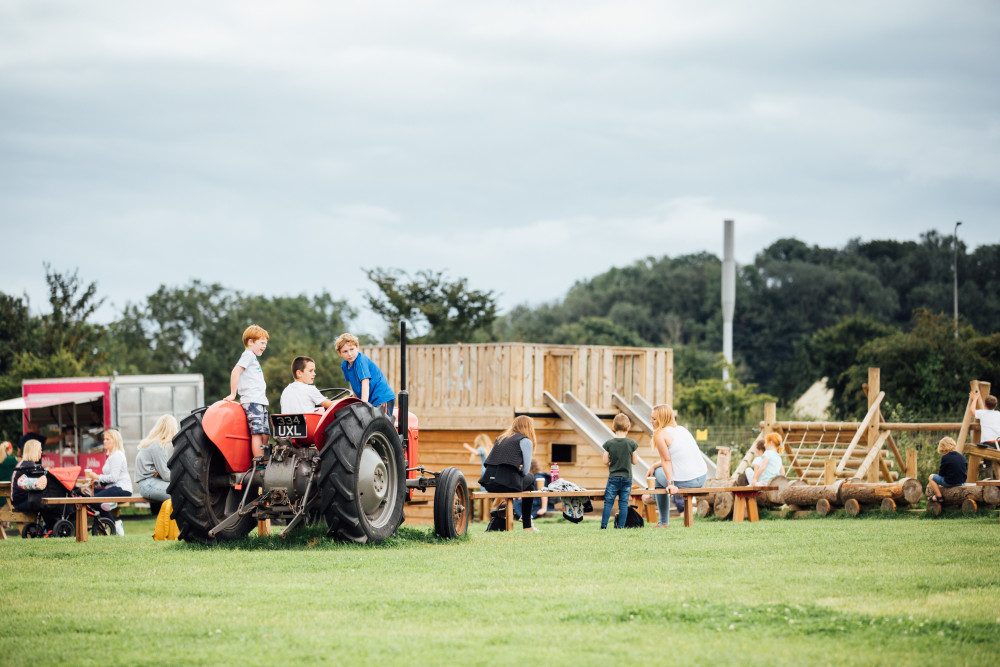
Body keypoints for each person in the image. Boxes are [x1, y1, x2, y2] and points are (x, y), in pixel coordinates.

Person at [647, 404, 708, 528]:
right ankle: (653, 495)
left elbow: (666, 460)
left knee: (657, 473)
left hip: (687, 481)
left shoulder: (660, 433)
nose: (651, 421)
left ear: (662, 419)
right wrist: (654, 464)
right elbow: (678, 457)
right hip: (701, 478)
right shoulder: (682, 430)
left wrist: (670, 484)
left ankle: (662, 518)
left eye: (654, 419)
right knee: (658, 468)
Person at [479, 416, 539, 531]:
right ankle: (527, 526)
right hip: (507, 484)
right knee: (530, 479)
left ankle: (526, 525)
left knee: (527, 484)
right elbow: (526, 470)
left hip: (489, 483)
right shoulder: (525, 441)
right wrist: (519, 469)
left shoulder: (501, 438)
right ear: (529, 427)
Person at [224, 324, 270, 458]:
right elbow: (235, 371)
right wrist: (233, 394)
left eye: (265, 344)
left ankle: (266, 460)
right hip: (252, 401)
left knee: (265, 433)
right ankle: (259, 462)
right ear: (251, 342)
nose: (264, 346)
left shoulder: (253, 358)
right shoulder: (248, 355)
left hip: (260, 401)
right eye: (262, 343)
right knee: (257, 433)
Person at [85, 429, 133, 535]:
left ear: (115, 441)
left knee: (94, 500)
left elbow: (114, 478)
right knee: (88, 496)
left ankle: (115, 524)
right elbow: (109, 479)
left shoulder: (116, 456)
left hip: (122, 488)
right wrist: (96, 482)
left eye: (108, 439)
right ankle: (105, 518)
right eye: (104, 439)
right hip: (115, 487)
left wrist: (97, 476)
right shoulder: (112, 456)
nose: (104, 441)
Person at [336, 333, 395, 416]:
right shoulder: (344, 365)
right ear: (340, 353)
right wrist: (354, 400)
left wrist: (363, 404)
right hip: (369, 399)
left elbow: (365, 382)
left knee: (379, 423)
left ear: (357, 347)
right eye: (345, 351)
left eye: (352, 349)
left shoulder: (360, 361)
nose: (349, 354)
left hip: (381, 397)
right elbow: (353, 384)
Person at [600, 414, 639, 529]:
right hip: (627, 478)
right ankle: (621, 526)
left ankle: (604, 526)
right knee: (623, 504)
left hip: (613, 478)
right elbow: (635, 461)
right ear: (628, 427)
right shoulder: (631, 443)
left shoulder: (609, 443)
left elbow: (604, 460)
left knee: (608, 502)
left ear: (613, 427)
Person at [134, 415, 179, 503]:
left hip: (147, 483)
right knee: (181, 494)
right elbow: (166, 475)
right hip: (149, 484)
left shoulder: (153, 444)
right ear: (172, 429)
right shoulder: (158, 446)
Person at [10, 439, 47, 513]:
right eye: (40, 449)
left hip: (16, 501)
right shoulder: (29, 465)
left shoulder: (23, 463)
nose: (41, 452)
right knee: (49, 506)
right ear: (35, 451)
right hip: (23, 502)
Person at [927, 436, 967, 502]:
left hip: (950, 483)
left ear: (943, 448)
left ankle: (939, 497)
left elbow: (941, 473)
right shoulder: (961, 456)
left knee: (931, 477)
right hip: (961, 482)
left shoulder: (945, 457)